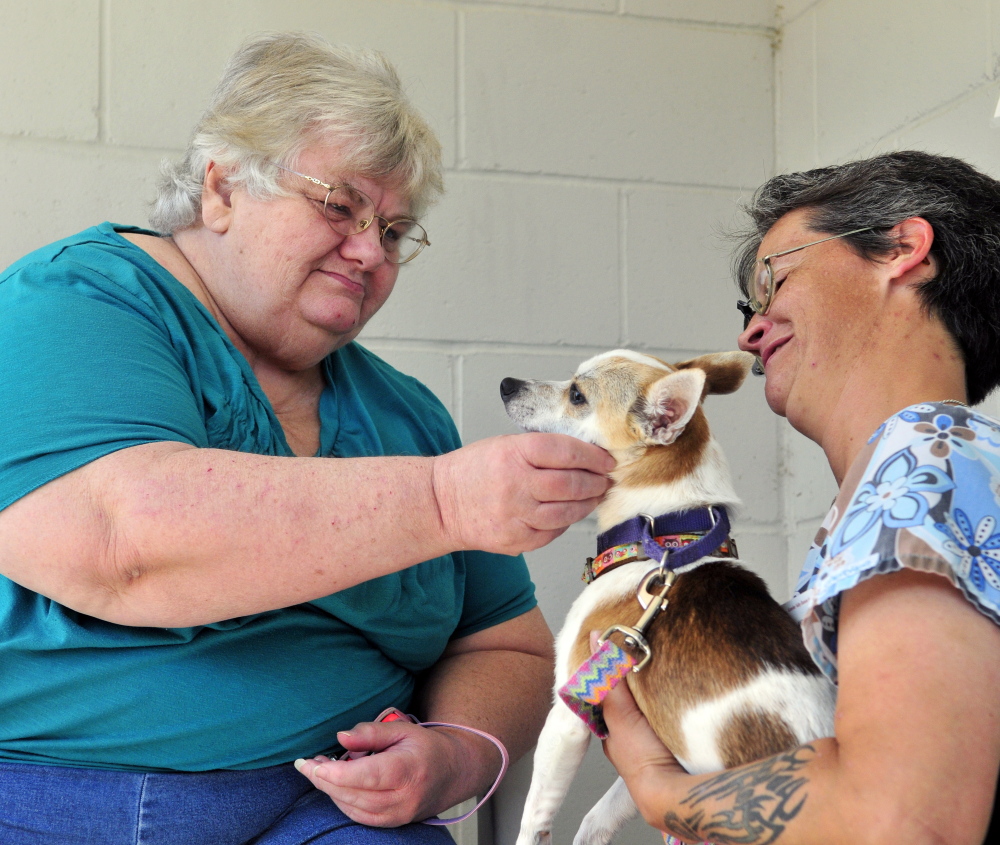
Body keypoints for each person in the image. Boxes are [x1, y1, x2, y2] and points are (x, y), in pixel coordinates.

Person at [0, 32, 615, 844]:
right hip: (67, 809)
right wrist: (443, 498)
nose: (369, 251)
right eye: (339, 206)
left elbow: (511, 647)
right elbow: (123, 544)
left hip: (330, 816)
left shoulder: (406, 412)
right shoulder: (76, 303)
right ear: (221, 188)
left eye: (394, 233)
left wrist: (454, 753)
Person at [599, 150, 1000, 845]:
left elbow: (900, 820)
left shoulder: (930, 467)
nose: (749, 331)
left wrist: (656, 788)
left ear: (903, 249)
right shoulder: (935, 470)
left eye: (774, 279)